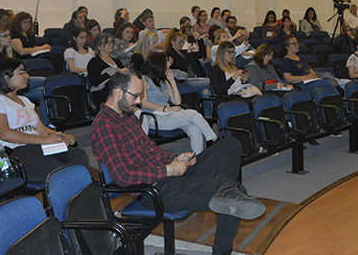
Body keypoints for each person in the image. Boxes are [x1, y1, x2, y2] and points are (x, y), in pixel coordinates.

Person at [90, 69, 265, 255]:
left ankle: (225, 189)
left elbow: (151, 149)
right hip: (155, 191)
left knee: (230, 144)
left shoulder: (127, 115)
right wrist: (169, 170)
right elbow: (123, 176)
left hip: (170, 175)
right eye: (135, 96)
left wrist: (175, 159)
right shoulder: (104, 126)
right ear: (118, 92)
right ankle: (222, 242)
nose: (139, 101)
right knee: (237, 195)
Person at [0, 58, 89, 182]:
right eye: (21, 72)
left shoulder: (25, 100)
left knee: (78, 156)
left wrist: (62, 136)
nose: (27, 76)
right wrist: (43, 140)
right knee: (62, 171)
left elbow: (42, 130)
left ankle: (83, 190)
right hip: (15, 152)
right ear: (6, 77)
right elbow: (4, 134)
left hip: (37, 146)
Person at [139, 53, 216, 154]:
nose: (169, 64)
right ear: (159, 64)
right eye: (167, 61)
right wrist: (166, 109)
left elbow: (177, 101)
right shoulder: (144, 79)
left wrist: (172, 81)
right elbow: (144, 103)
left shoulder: (164, 81)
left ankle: (198, 158)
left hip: (167, 115)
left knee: (194, 129)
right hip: (153, 117)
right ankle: (214, 139)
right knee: (193, 114)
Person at [164, 29, 209, 97]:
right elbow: (182, 68)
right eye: (179, 42)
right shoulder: (170, 55)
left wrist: (199, 40)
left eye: (183, 42)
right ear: (172, 42)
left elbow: (201, 54)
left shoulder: (184, 52)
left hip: (196, 77)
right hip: (185, 80)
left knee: (206, 91)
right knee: (209, 82)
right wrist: (188, 54)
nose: (181, 44)